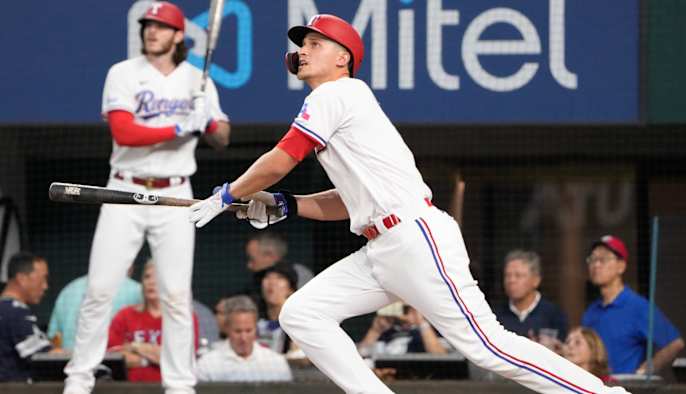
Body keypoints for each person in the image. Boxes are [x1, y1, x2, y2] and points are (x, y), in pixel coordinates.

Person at [188, 13, 630, 394]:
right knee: (303, 314)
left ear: (342, 57)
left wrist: (231, 193)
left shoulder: (338, 93)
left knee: (489, 346)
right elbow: (349, 200)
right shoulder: (336, 105)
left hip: (416, 236)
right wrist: (288, 204)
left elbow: (281, 158)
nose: (303, 51)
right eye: (302, 45)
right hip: (381, 247)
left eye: (314, 43)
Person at [63, 2, 230, 394]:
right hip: (124, 189)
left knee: (175, 295)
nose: (151, 31)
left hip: (174, 193)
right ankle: (79, 379)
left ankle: (179, 384)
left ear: (177, 36)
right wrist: (177, 126)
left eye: (160, 26)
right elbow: (124, 132)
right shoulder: (122, 73)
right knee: (100, 289)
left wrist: (206, 119)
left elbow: (222, 139)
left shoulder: (196, 80)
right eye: (147, 25)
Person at [582, 235, 685, 375]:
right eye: (592, 259)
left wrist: (642, 372)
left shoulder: (638, 307)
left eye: (603, 259)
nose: (596, 265)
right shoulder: (591, 311)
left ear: (621, 266)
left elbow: (674, 343)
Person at [107, 262, 199, 382]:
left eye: (158, 277)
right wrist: (156, 355)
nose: (151, 282)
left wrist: (135, 346)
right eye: (147, 277)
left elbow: (181, 359)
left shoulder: (183, 317)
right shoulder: (124, 315)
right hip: (129, 388)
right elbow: (112, 358)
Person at [196, 295, 292, 382]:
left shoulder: (276, 363)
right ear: (227, 329)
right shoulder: (207, 364)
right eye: (238, 331)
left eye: (248, 330)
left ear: (256, 328)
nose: (244, 338)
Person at [48, 265, 142, 351]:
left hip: (71, 362)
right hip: (115, 362)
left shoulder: (69, 290)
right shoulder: (137, 290)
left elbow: (54, 339)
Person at [494, 250, 568, 349]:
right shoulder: (495, 316)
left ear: (536, 280)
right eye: (507, 275)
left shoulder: (554, 315)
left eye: (518, 275)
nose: (511, 280)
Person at [0, 252, 51, 382]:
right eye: (42, 279)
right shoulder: (15, 312)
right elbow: (41, 356)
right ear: (22, 279)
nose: (45, 286)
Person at [358, 302, 448, 357]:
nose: (401, 312)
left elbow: (441, 357)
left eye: (405, 309)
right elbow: (361, 357)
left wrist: (421, 322)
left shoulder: (430, 332)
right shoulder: (386, 331)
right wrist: (375, 331)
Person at [245, 231, 314, 295]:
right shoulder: (255, 282)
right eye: (267, 278)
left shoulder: (300, 274)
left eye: (252, 259)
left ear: (269, 256)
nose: (249, 265)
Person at [257, 263, 298, 354]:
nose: (271, 282)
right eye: (267, 277)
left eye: (279, 278)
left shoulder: (298, 321)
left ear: (291, 289)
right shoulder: (254, 318)